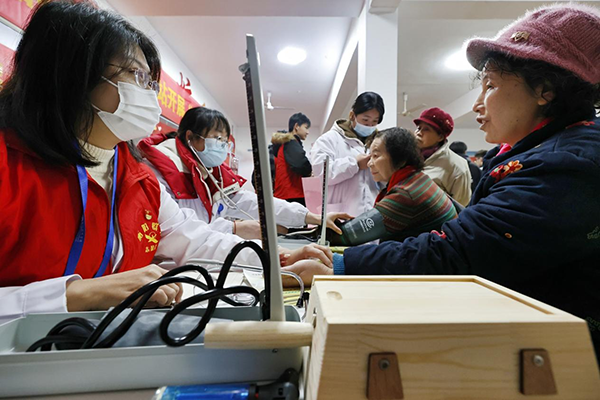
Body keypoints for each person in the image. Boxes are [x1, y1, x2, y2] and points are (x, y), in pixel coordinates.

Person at [284, 3, 600, 360]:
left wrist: (337, 264)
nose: (478, 104)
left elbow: (456, 252)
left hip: (562, 359)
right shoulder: (533, 153)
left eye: (491, 85)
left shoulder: (564, 165)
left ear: (545, 89)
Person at [0, 2, 331, 321]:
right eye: (136, 75)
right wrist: (74, 296)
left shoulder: (135, 176)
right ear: (71, 73)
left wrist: (277, 261)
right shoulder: (9, 165)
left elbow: (194, 239)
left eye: (151, 82)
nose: (150, 94)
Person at [139, 107, 338, 239]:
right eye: (217, 139)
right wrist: (233, 229)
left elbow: (252, 202)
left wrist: (308, 216)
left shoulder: (211, 175)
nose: (222, 146)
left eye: (225, 141)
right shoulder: (160, 171)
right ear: (190, 137)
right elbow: (177, 232)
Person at [328, 127, 457, 246]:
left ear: (399, 158)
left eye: (375, 156)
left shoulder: (405, 194)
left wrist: (321, 224)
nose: (369, 163)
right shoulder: (419, 179)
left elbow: (345, 236)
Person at [309, 92, 383, 217]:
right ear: (352, 115)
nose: (369, 126)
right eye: (365, 120)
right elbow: (321, 173)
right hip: (341, 213)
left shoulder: (379, 142)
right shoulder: (329, 140)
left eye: (374, 121)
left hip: (372, 214)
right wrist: (355, 164)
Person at [414, 108, 472, 206]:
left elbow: (461, 204)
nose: (419, 133)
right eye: (419, 128)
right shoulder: (408, 157)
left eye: (426, 129)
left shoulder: (457, 165)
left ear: (440, 137)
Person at [272, 112, 312, 206]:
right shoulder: (291, 142)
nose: (308, 132)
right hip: (292, 195)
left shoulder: (285, 144)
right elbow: (300, 164)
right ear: (296, 126)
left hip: (285, 194)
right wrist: (309, 172)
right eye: (306, 127)